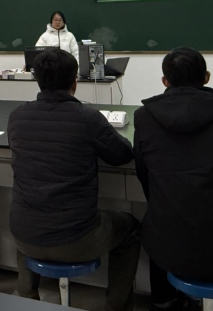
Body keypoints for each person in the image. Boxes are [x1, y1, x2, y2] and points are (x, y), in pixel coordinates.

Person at [133, 47, 213, 311]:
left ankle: (162, 300)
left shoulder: (144, 117)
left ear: (165, 81)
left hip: (165, 246)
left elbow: (143, 174)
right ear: (206, 77)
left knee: (162, 225)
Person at [8, 48, 140, 311]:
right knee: (131, 228)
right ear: (75, 83)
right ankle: (117, 305)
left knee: (31, 220)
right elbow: (121, 154)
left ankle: (26, 295)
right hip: (77, 239)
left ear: (38, 80)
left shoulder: (17, 116)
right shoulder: (87, 118)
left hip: (24, 236)